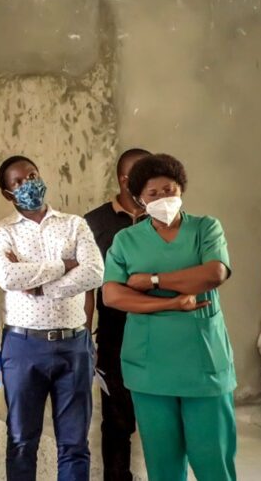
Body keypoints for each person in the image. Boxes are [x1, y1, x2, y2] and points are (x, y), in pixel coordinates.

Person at [102, 153, 236, 481]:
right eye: (153, 194)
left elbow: (214, 273)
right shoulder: (126, 240)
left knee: (213, 458)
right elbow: (113, 295)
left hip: (203, 363)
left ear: (182, 189)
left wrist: (152, 282)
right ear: (137, 199)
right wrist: (173, 304)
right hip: (150, 368)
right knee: (162, 463)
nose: (164, 198)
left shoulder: (205, 227)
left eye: (170, 189)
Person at [0, 155, 104, 481]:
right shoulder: (1, 232)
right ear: (7, 193)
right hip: (23, 347)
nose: (29, 184)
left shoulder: (74, 224)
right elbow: (9, 277)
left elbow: (94, 272)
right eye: (18, 182)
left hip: (74, 346)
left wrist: (41, 289)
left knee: (74, 444)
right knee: (22, 441)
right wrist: (63, 266)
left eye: (32, 175)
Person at [83, 148, 151, 481]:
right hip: (114, 336)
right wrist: (85, 336)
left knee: (160, 415)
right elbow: (87, 289)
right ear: (125, 180)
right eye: (143, 173)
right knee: (116, 419)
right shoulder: (94, 222)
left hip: (159, 331)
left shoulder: (164, 218)